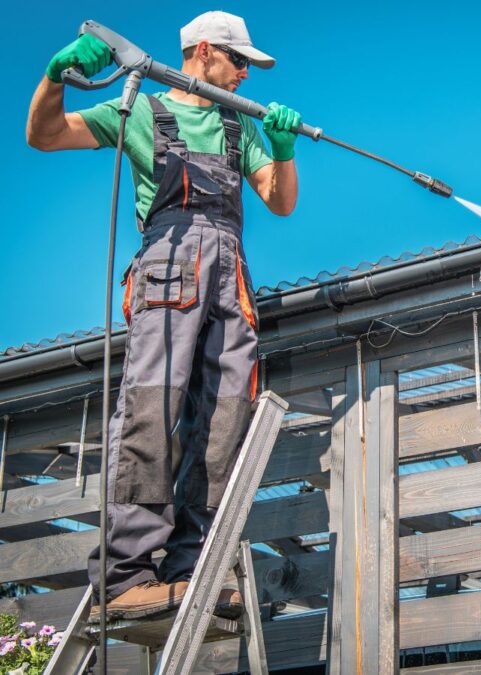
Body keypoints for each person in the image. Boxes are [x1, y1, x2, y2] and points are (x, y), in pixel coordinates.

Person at [26, 11, 301, 621]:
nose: (243, 76)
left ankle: (191, 569)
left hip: (231, 274)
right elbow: (44, 135)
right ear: (204, 52)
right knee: (153, 406)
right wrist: (56, 77)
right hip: (167, 268)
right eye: (239, 62)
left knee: (225, 415)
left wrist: (282, 149)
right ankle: (127, 577)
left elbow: (279, 202)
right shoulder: (142, 112)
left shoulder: (241, 126)